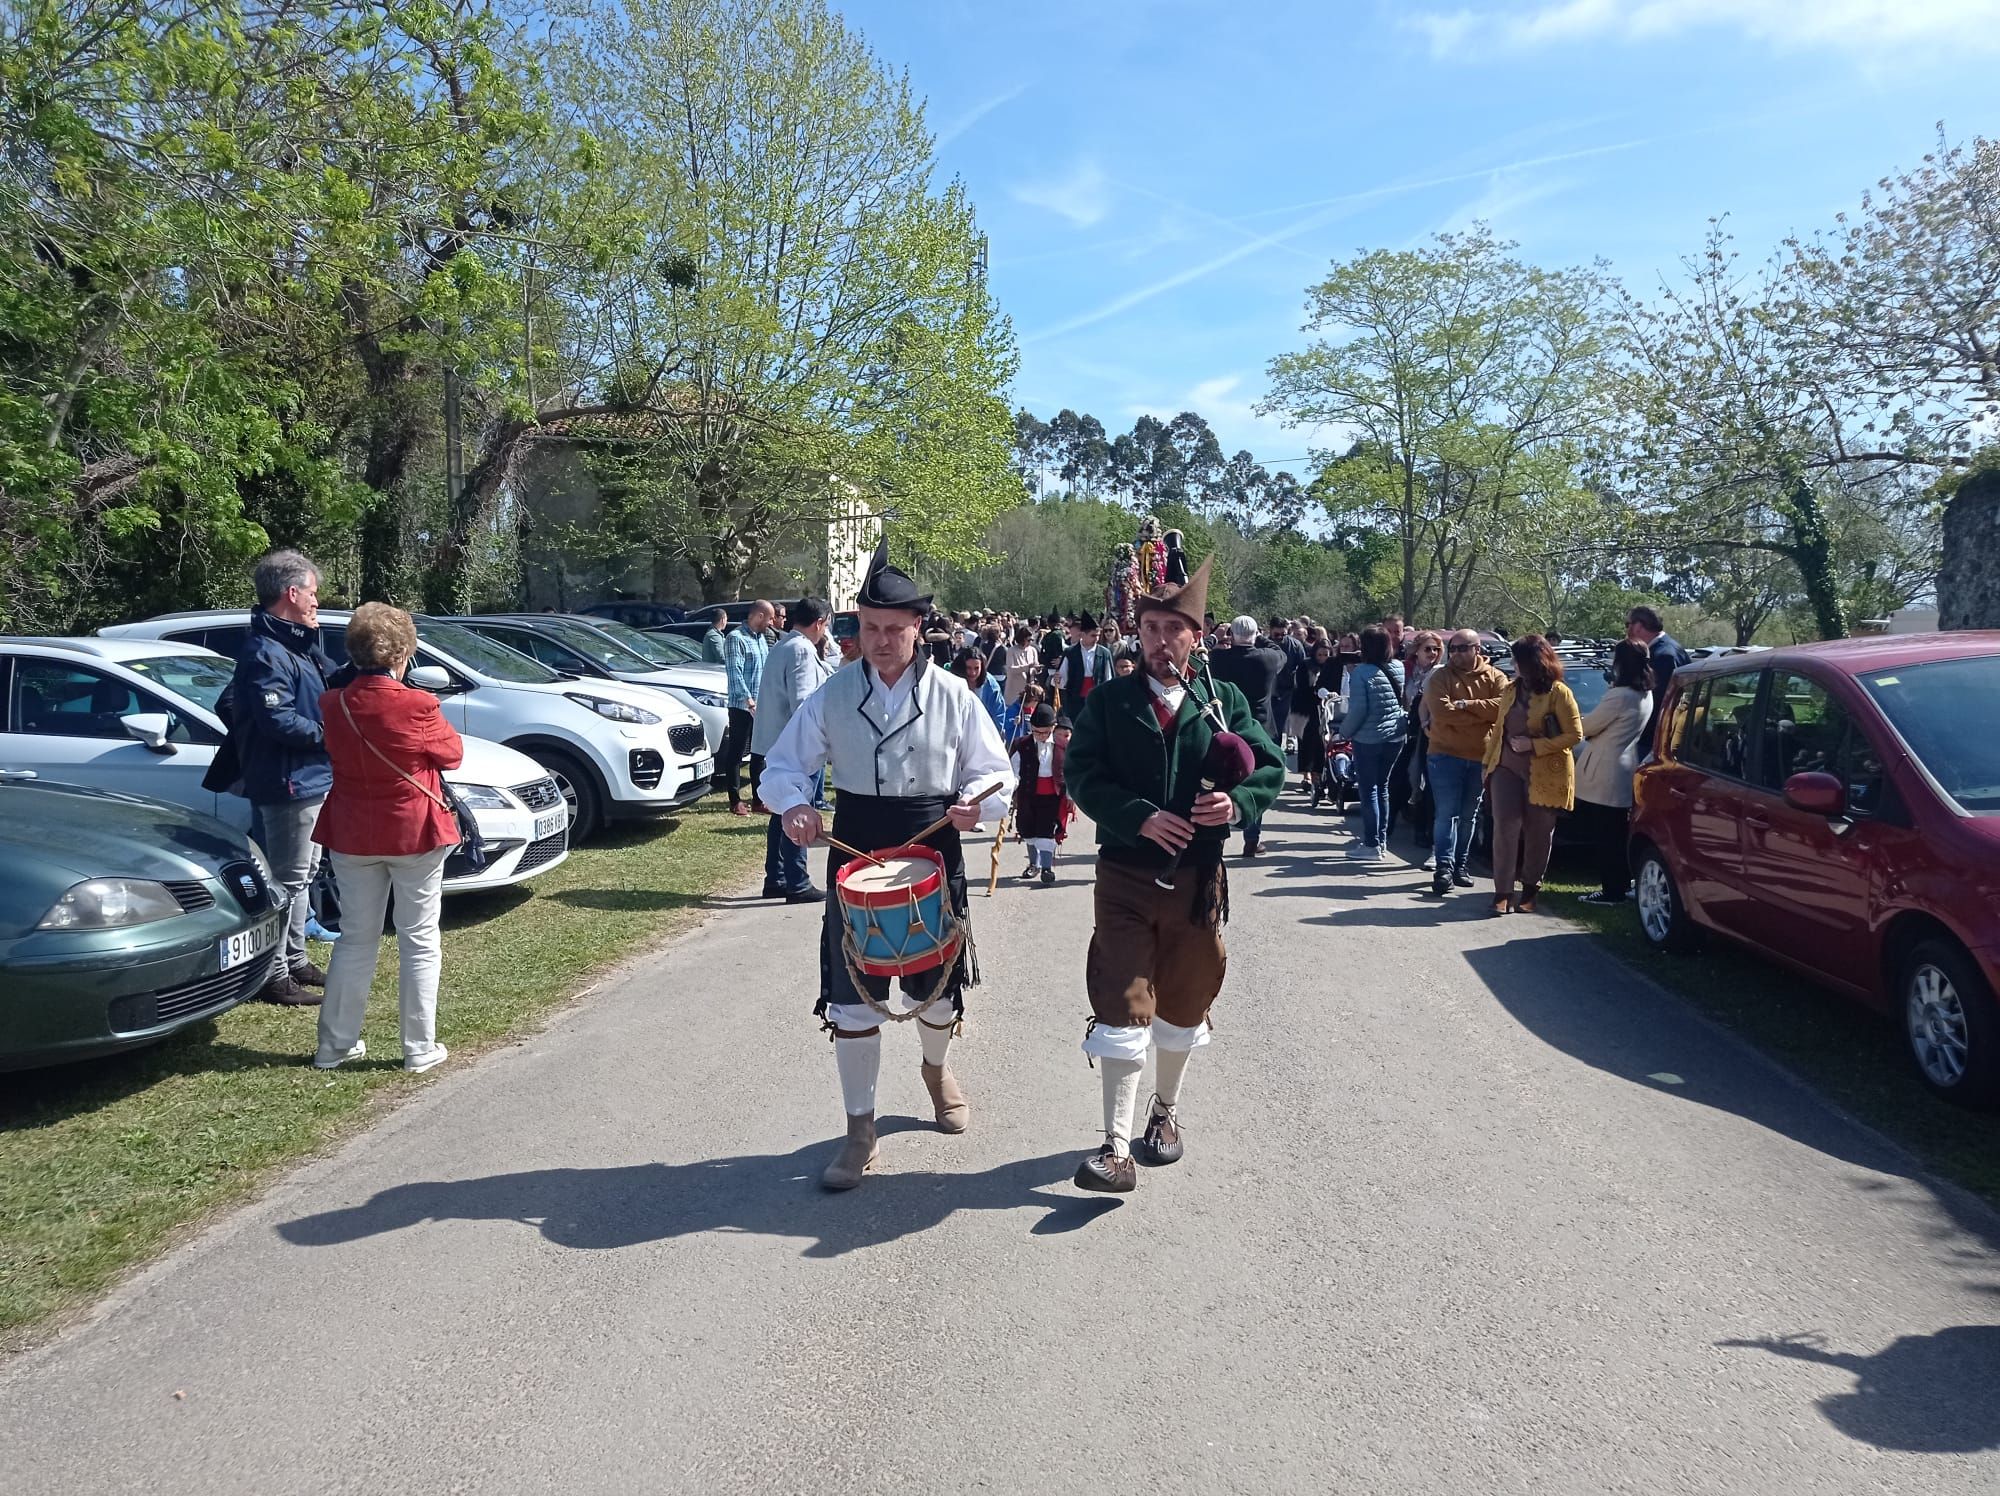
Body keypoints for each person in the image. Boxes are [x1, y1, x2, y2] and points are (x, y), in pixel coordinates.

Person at [761, 541, 1013, 1191]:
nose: (878, 641)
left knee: (935, 994)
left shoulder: (956, 695)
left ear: (918, 629)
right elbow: (782, 770)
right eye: (868, 628)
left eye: (892, 630)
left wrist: (972, 808)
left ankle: (935, 1070)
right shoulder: (833, 694)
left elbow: (995, 777)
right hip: (858, 844)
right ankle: (860, 1130)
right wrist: (795, 807)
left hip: (934, 844)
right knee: (853, 1001)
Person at [1064, 558, 1284, 1193]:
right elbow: (1083, 775)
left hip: (1197, 884)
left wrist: (1235, 806)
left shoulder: (1225, 701)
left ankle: (1165, 1115)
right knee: (1121, 1003)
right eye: (1151, 628)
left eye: (1174, 629)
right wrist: (1137, 817)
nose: (1161, 641)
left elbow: (1268, 766)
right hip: (1125, 876)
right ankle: (1114, 1149)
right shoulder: (1109, 702)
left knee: (1184, 1003)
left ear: (1198, 634)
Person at [310, 603, 461, 1072]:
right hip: (413, 829)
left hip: (352, 830)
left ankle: (335, 1045)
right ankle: (418, 1047)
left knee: (355, 938)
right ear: (404, 654)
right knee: (418, 938)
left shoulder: (331, 703)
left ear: (354, 652)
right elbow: (452, 754)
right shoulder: (419, 704)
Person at [221, 549, 334, 1006]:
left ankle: (296, 957)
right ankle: (274, 975)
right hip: (290, 782)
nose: (316, 602)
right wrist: (334, 735)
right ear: (291, 592)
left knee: (303, 874)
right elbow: (279, 721)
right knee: (286, 880)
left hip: (308, 777)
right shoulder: (266, 651)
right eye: (311, 592)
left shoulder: (294, 644)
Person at [1481, 635, 1584, 916]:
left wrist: (1534, 745)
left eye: (1517, 659)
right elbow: (1498, 731)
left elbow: (1574, 735)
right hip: (1506, 768)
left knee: (1539, 833)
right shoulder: (1510, 690)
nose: (1512, 664)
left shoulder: (1559, 692)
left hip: (1546, 772)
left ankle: (1529, 891)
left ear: (1532, 662)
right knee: (1505, 827)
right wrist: (1487, 765)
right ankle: (1502, 892)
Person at [750, 596, 835, 904]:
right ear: (821, 623)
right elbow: (805, 703)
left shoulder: (785, 645)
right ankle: (796, 881)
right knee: (799, 813)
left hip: (772, 745)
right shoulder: (801, 650)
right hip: (793, 749)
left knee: (783, 813)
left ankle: (776, 878)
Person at [1421, 629, 1509, 898]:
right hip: (1444, 755)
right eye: (1453, 649)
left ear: (1477, 649)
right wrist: (1479, 716)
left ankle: (1461, 865)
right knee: (1447, 813)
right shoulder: (1440, 677)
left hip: (1480, 757)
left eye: (1462, 648)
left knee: (1469, 815)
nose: (1455, 653)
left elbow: (1501, 708)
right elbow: (1441, 712)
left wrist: (1465, 704)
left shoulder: (1496, 677)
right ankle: (1444, 868)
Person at [1572, 642, 1655, 907]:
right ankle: (1621, 884)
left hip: (1605, 768)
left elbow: (1588, 726)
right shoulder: (1644, 693)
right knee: (1616, 832)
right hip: (1624, 763)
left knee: (1607, 835)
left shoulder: (1619, 695)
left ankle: (1612, 890)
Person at [1207, 615, 1285, 857]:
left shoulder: (1219, 658)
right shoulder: (1268, 659)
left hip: (1226, 726)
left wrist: (1215, 637)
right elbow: (1279, 651)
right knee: (1255, 783)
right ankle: (1252, 838)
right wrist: (1259, 635)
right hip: (1260, 727)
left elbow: (1199, 655)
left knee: (1220, 781)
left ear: (1231, 634)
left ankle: (1216, 836)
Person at [1335, 626, 1407, 862]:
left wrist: (1342, 733)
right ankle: (1382, 840)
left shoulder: (1361, 673)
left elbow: (1359, 710)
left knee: (1369, 792)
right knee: (1383, 787)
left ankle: (1371, 843)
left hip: (1368, 738)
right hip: (1395, 736)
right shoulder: (1398, 667)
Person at [718, 599, 773, 814]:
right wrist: (749, 701)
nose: (771, 623)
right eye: (769, 618)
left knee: (759, 753)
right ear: (758, 616)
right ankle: (735, 800)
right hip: (742, 707)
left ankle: (759, 799)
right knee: (737, 752)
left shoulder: (761, 639)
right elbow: (734, 674)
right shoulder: (736, 639)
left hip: (761, 706)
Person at [1009, 703, 1065, 885]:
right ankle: (1034, 864)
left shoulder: (1061, 746)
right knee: (1028, 829)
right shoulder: (1022, 745)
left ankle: (1047, 868)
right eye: (1036, 732)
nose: (1040, 736)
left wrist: (1071, 796)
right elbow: (1014, 770)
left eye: (1045, 732)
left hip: (1051, 797)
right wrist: (1011, 788)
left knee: (1046, 830)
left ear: (1053, 728)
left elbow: (1069, 772)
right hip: (1027, 794)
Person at [1292, 640, 1338, 802]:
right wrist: (1316, 692)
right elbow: (1302, 687)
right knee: (1305, 742)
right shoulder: (1306, 665)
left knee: (1320, 743)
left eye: (1326, 654)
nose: (1323, 658)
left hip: (1326, 709)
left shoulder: (1332, 667)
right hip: (1305, 708)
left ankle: (1317, 775)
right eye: (1320, 654)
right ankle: (1307, 775)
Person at [1625, 606, 1690, 718]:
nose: (1626, 630)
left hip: (1659, 730)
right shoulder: (1671, 649)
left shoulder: (1663, 656)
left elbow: (1659, 703)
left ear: (1638, 626)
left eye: (1627, 624)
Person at [1056, 610, 1113, 714]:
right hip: (1075, 699)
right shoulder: (1070, 652)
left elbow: (1108, 677)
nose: (1096, 638)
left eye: (1098, 635)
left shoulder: (1104, 653)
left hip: (1096, 698)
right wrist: (1057, 681)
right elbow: (1062, 677)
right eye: (1093, 635)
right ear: (1082, 634)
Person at [952, 646, 1007, 736]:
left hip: (983, 734)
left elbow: (998, 715)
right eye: (968, 668)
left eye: (976, 668)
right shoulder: (954, 681)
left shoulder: (991, 686)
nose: (973, 673)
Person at [1000, 622, 1040, 740]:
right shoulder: (1011, 651)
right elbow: (1011, 669)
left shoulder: (1032, 650)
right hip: (1014, 690)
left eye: (1031, 640)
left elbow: (1034, 665)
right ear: (1021, 639)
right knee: (1013, 719)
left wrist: (1036, 669)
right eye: (1028, 640)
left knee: (1028, 719)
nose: (1030, 642)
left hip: (1029, 689)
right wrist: (1027, 667)